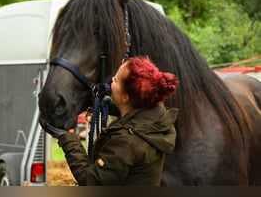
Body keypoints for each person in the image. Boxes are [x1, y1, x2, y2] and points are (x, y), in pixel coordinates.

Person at [44, 56, 179, 186]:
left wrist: (67, 138)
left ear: (126, 97)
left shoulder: (126, 142)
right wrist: (115, 107)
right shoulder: (157, 120)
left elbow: (91, 181)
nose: (111, 80)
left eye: (116, 80)